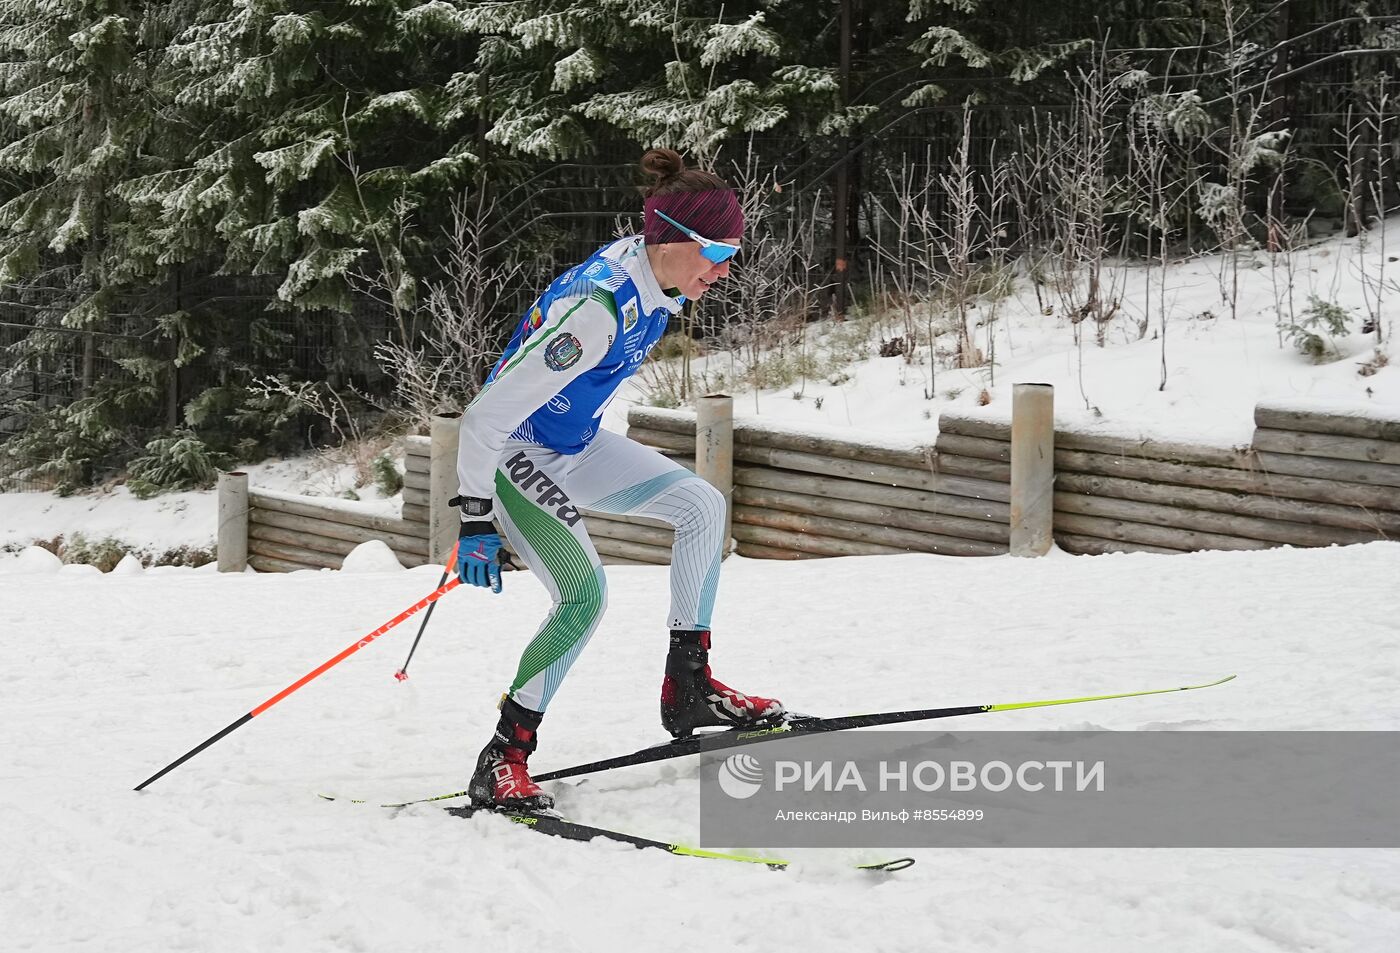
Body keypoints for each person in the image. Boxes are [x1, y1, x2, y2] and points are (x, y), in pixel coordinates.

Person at [452, 148, 785, 812]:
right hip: (517, 454)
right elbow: (484, 415)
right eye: (716, 254)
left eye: (731, 256)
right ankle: (503, 755)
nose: (724, 271)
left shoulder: (656, 281)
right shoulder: (596, 310)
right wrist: (475, 517)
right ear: (672, 241)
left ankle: (688, 686)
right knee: (584, 595)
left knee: (700, 505)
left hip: (571, 446)